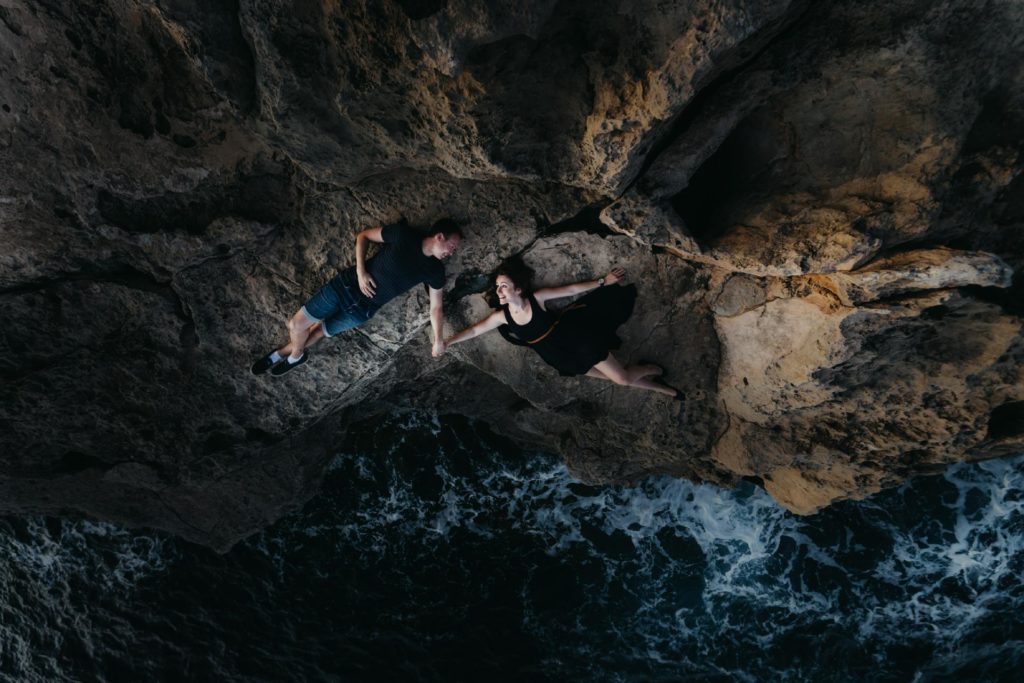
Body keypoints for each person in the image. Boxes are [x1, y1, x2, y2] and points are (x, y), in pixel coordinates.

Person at [443, 257, 681, 398]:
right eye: (497, 287)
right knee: (613, 379)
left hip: (580, 343)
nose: (499, 291)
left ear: (518, 289)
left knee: (622, 379)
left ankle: (651, 369)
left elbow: (571, 290)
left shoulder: (537, 299)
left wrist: (602, 281)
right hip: (560, 357)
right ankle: (666, 391)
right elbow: (475, 330)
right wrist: (447, 342)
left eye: (504, 286)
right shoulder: (502, 316)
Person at [251, 218, 463, 376]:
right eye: (452, 246)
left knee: (317, 333)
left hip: (362, 310)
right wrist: (362, 272)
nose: (451, 252)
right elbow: (363, 236)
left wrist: (438, 340)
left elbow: (436, 307)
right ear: (439, 236)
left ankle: (281, 354)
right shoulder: (404, 234)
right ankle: (296, 356)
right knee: (297, 325)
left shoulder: (435, 271)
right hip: (345, 286)